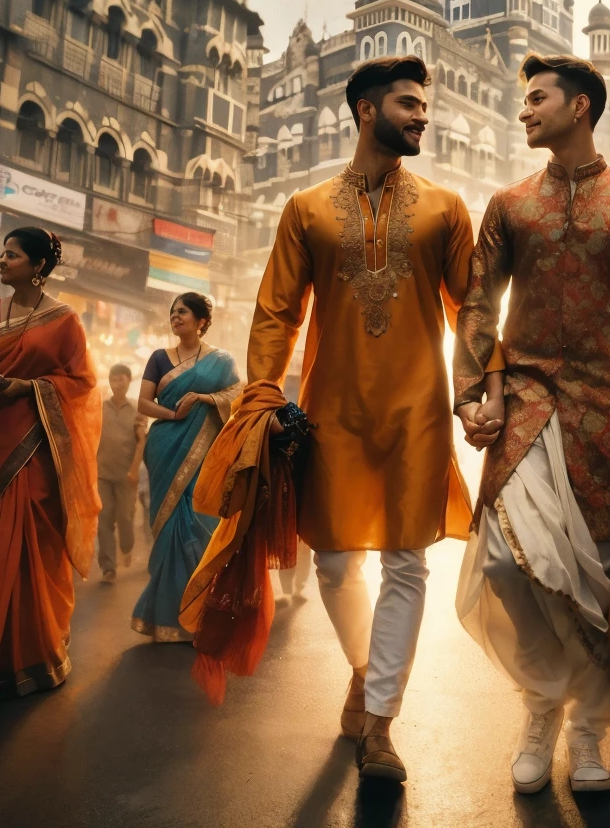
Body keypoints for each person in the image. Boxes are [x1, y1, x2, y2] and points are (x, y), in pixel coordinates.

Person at [182, 55, 502, 782]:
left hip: (419, 412)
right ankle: (365, 670)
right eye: (409, 104)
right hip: (329, 415)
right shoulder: (307, 209)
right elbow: (276, 311)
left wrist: (481, 386)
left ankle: (382, 722)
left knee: (406, 562)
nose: (423, 116)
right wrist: (261, 395)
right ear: (366, 110)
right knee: (332, 564)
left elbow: (473, 307)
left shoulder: (447, 208)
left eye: (425, 106)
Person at [454, 53, 610, 794]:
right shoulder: (509, 205)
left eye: (537, 99)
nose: (524, 111)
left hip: (607, 412)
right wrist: (474, 393)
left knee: (599, 576)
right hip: (524, 403)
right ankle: (540, 708)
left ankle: (588, 731)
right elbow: (477, 305)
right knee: (506, 559)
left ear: (581, 106)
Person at [0, 227, 102, 698]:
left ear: (37, 266)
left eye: (12, 254)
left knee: (30, 545)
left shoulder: (65, 320)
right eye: (2, 253)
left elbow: (82, 382)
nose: (1, 260)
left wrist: (25, 387)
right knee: (3, 537)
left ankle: (35, 652)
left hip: (39, 446)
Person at [131, 293, 240, 642]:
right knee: (168, 533)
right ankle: (165, 618)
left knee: (198, 523)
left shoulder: (221, 361)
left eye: (183, 312)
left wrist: (203, 398)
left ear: (201, 321)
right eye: (172, 312)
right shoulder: (159, 359)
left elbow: (240, 395)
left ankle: (199, 616)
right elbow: (144, 403)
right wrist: (173, 413)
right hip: (164, 447)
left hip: (205, 454)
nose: (175, 317)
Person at [96, 363, 146, 584]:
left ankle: (127, 546)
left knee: (125, 519)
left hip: (127, 475)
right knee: (104, 519)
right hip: (102, 474)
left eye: (122, 378)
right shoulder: (99, 407)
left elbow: (141, 442)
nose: (118, 382)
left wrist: (134, 469)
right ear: (110, 382)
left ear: (128, 381)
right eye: (114, 379)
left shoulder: (137, 410)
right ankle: (108, 567)